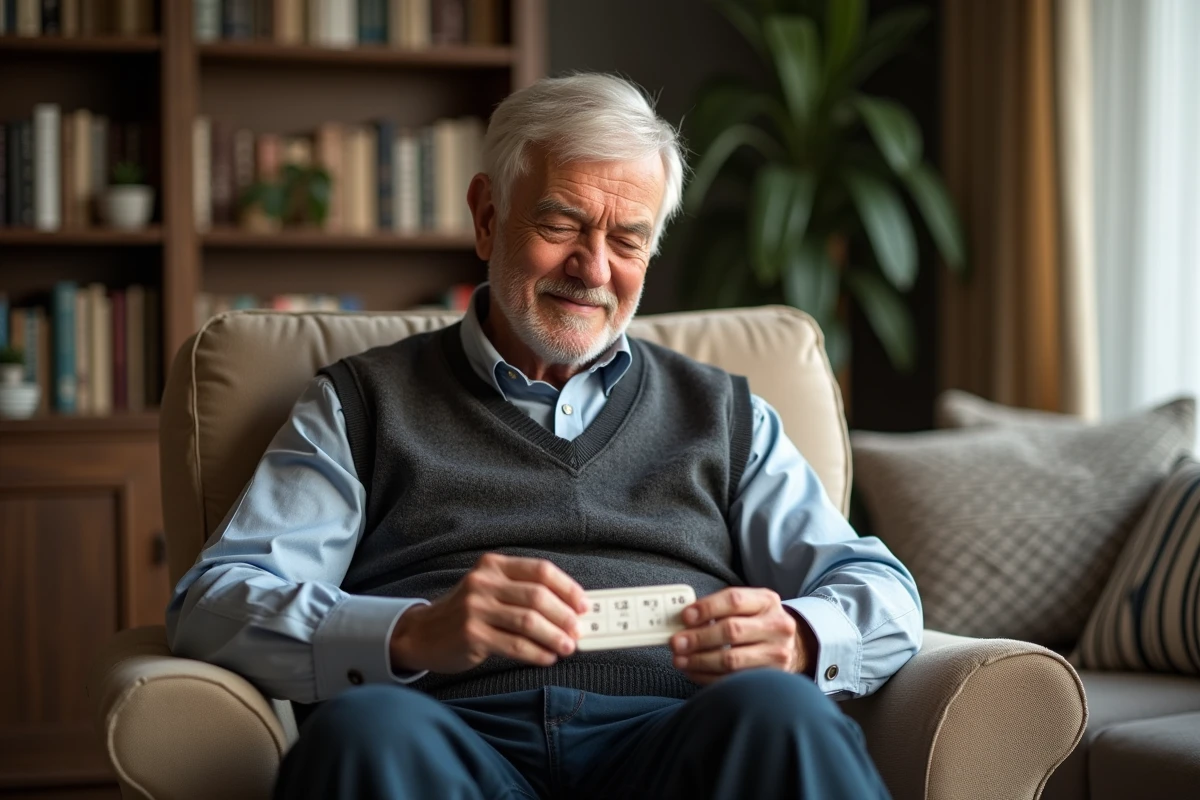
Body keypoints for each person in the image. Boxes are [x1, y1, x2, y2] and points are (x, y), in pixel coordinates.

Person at [167, 73, 922, 800]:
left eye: (628, 240)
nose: (592, 269)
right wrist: (412, 633)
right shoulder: (358, 404)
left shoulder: (724, 414)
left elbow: (883, 592)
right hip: (448, 742)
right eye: (561, 224)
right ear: (488, 215)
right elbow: (215, 603)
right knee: (366, 731)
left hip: (675, 746)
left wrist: (798, 637)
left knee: (782, 713)